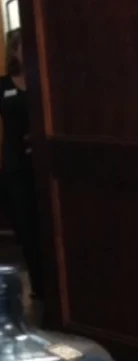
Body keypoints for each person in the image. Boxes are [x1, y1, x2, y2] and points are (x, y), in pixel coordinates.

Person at [0, 30, 42, 301]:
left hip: (43, 162)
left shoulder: (43, 81)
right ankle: (38, 284)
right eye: (22, 46)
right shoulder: (3, 85)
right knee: (25, 225)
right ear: (13, 51)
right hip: (15, 165)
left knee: (48, 223)